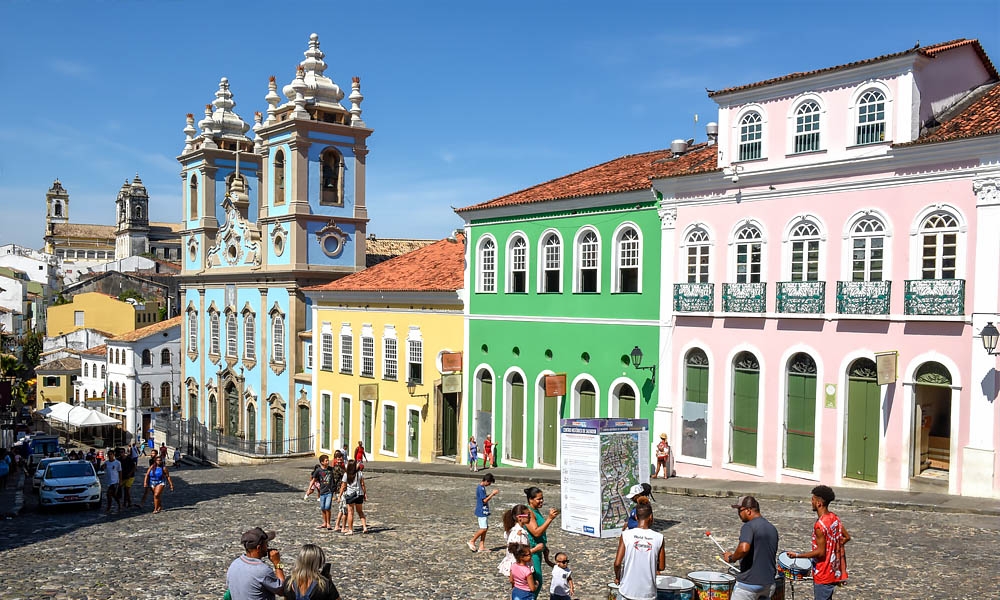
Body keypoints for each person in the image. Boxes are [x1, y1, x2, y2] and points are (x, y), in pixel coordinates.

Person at [787, 485, 851, 600]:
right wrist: (833, 549)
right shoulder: (834, 518)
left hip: (823, 573)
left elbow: (820, 552)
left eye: (813, 499)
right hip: (833, 571)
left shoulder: (819, 526)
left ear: (819, 503)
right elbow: (846, 537)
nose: (811, 502)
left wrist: (798, 555)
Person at [722, 496, 779, 600]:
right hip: (768, 584)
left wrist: (731, 558)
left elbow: (744, 548)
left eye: (740, 510)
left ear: (748, 510)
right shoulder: (772, 528)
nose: (739, 514)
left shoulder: (749, 526)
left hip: (749, 584)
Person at [614, 497, 664, 600]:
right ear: (651, 517)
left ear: (636, 517)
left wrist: (618, 577)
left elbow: (617, 563)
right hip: (648, 594)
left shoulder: (626, 535)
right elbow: (662, 566)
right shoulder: (659, 537)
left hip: (627, 591)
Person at [226, 527, 285, 600]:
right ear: (259, 548)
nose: (268, 547)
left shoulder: (234, 564)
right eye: (266, 544)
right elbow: (282, 590)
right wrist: (277, 563)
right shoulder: (262, 570)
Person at [524, 486, 559, 598]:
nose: (541, 501)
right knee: (536, 582)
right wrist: (549, 519)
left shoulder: (536, 511)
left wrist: (544, 546)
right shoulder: (529, 513)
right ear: (531, 499)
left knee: (536, 582)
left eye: (542, 498)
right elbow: (536, 532)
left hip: (539, 550)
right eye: (539, 499)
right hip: (532, 552)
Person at [498, 504, 543, 577]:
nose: (530, 517)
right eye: (528, 515)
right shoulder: (519, 533)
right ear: (520, 518)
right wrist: (535, 549)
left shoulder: (513, 530)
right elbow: (519, 553)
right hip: (519, 566)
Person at [468, 472, 499, 552]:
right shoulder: (480, 488)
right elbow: (484, 500)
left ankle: (482, 546)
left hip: (484, 510)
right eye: (489, 483)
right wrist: (492, 494)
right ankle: (472, 540)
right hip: (481, 510)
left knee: (485, 528)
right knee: (483, 528)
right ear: (487, 481)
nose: (489, 485)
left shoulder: (482, 488)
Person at [339, 458, 367, 534]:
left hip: (350, 494)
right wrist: (365, 494)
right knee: (360, 511)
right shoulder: (359, 473)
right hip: (359, 494)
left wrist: (339, 495)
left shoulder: (346, 474)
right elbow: (362, 485)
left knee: (350, 512)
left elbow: (343, 486)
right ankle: (364, 527)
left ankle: (350, 530)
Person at [309, 454, 336, 530]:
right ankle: (324, 522)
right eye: (326, 460)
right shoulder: (318, 470)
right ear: (322, 462)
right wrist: (309, 489)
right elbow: (313, 480)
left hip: (329, 491)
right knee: (323, 508)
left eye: (328, 460)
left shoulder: (331, 469)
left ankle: (328, 523)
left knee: (327, 507)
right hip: (322, 491)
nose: (328, 461)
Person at [105, 448, 122, 514]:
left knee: (108, 494)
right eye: (109, 454)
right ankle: (119, 504)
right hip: (109, 481)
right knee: (114, 495)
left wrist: (120, 481)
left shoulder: (117, 463)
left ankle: (108, 507)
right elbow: (103, 468)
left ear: (113, 455)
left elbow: (120, 472)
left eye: (111, 454)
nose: (110, 456)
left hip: (115, 481)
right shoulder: (107, 463)